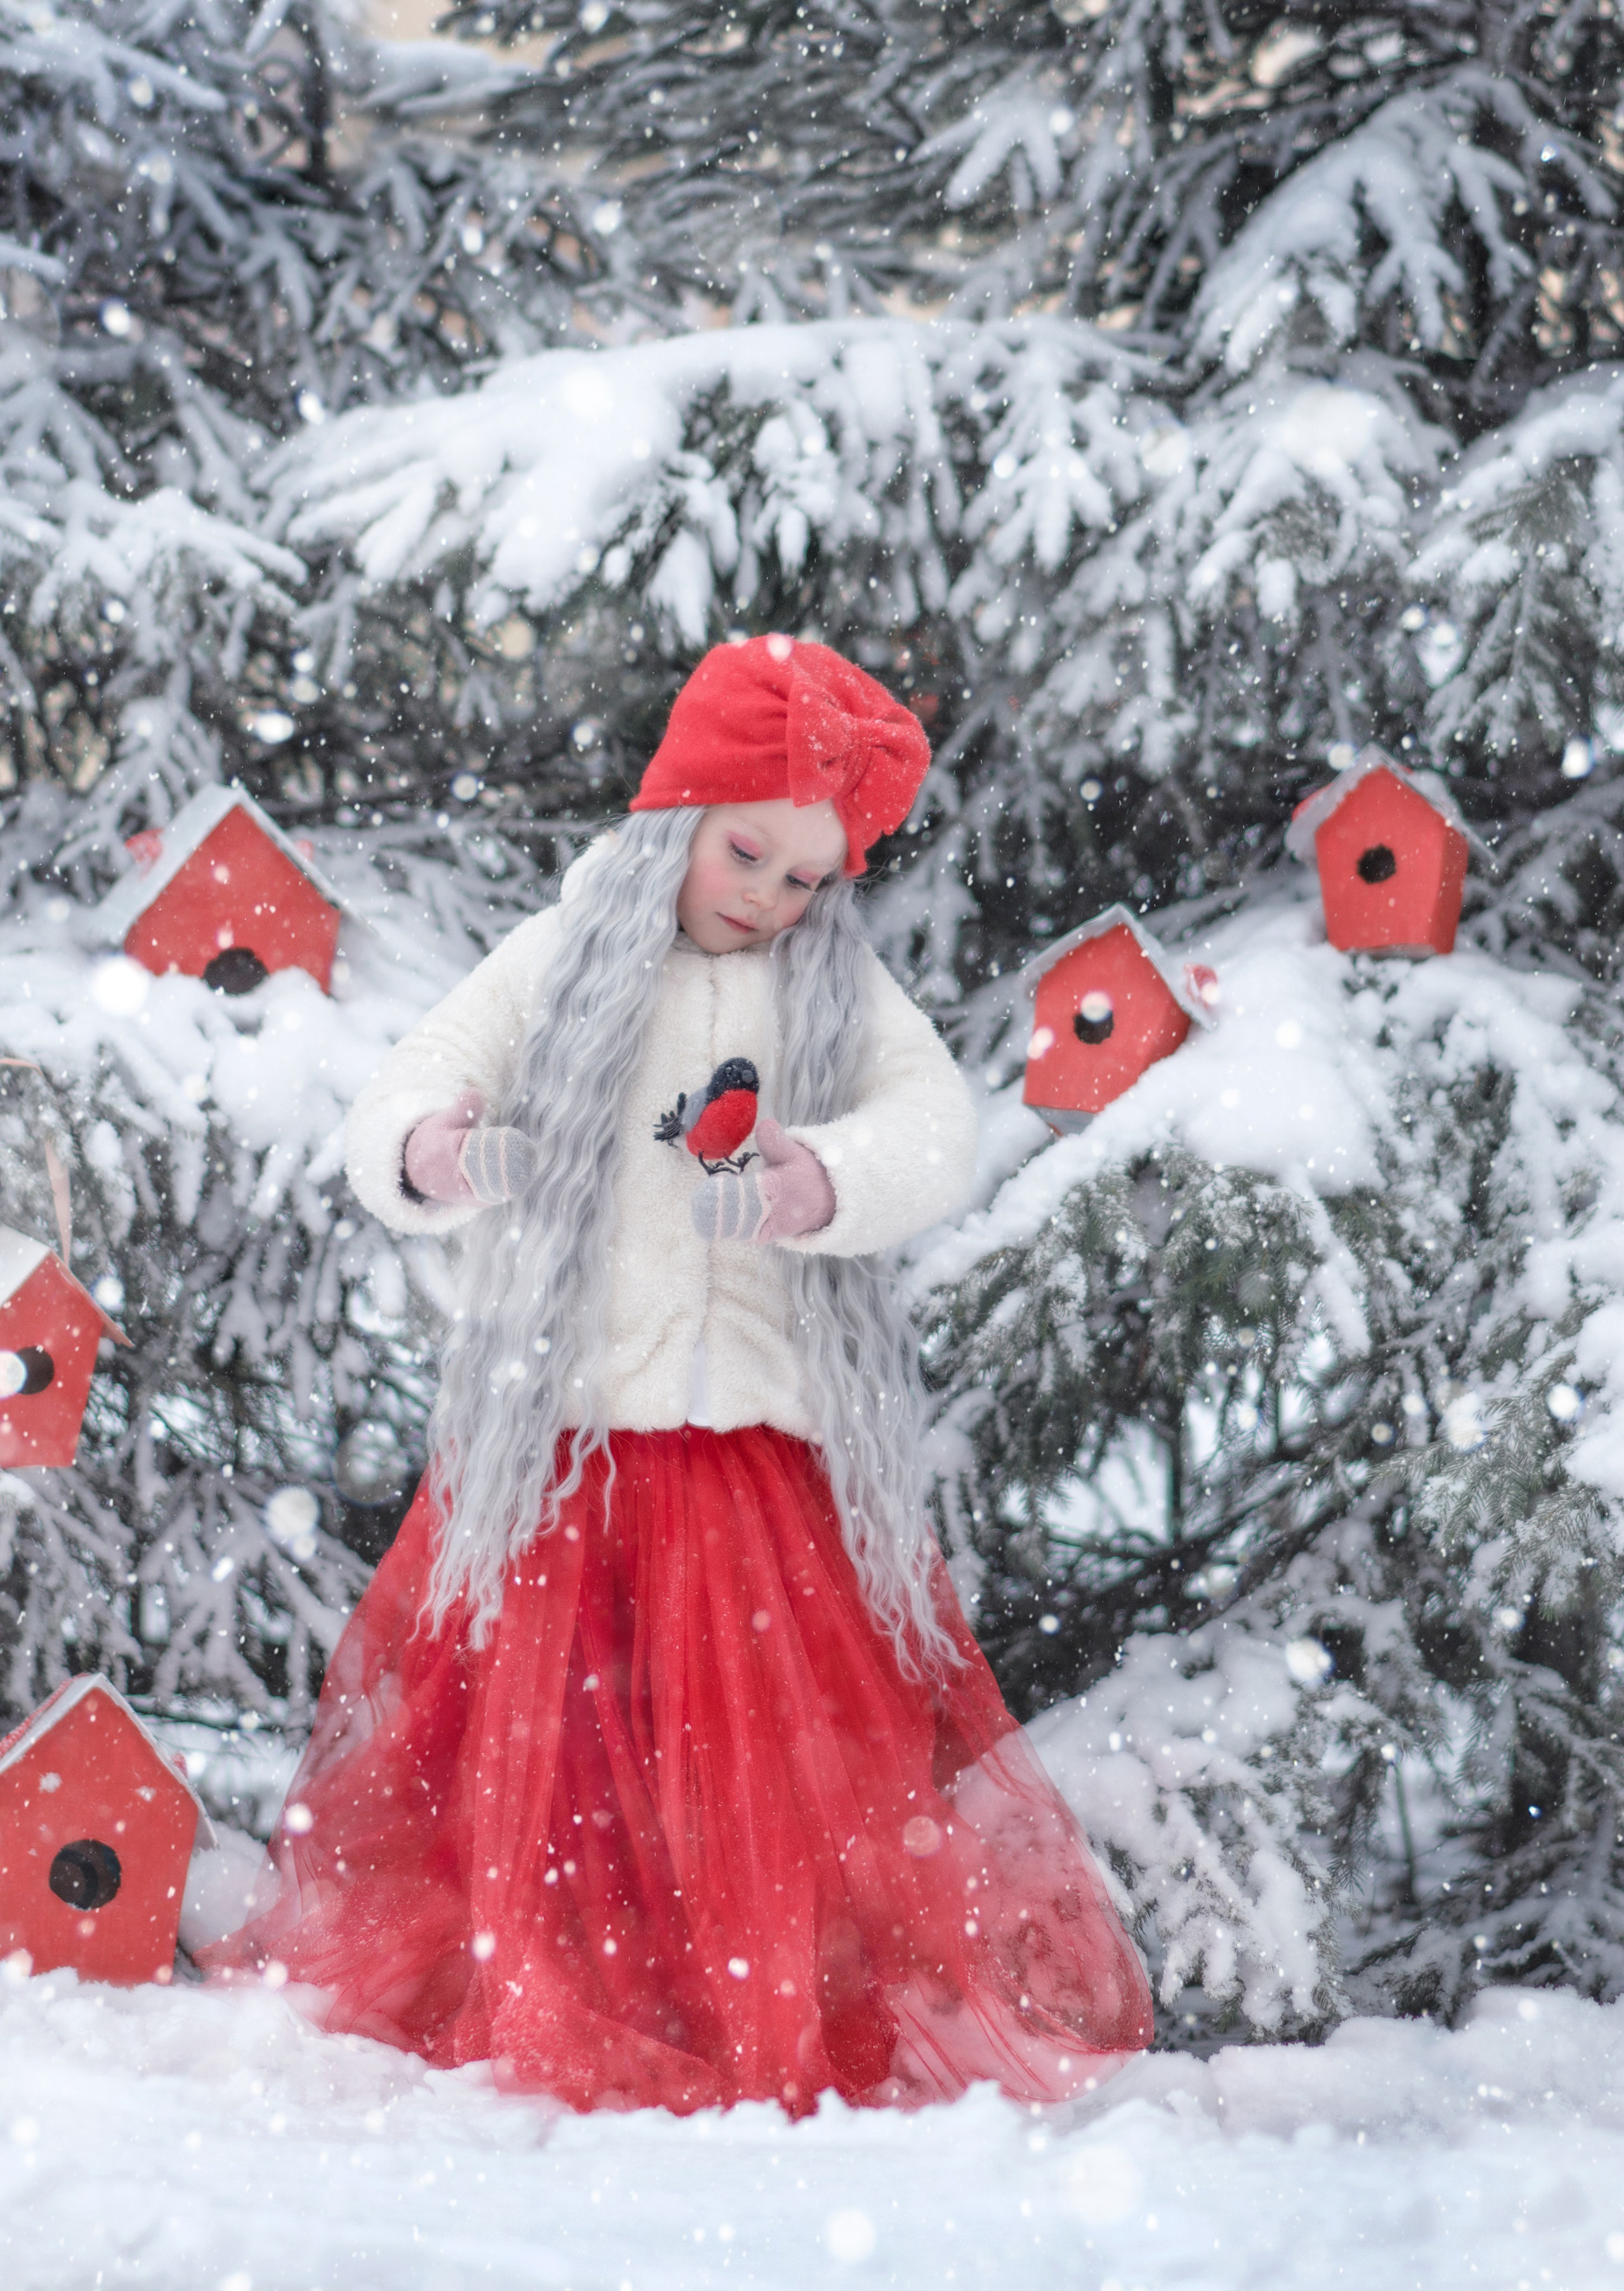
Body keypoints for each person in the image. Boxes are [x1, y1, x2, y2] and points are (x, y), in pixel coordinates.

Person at [204, 635, 1153, 2113]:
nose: (767, 896)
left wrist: (813, 1180)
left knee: (755, 1776)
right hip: (570, 1445)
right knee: (553, 1762)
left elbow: (934, 1131)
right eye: (746, 850)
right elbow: (407, 1085)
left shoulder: (830, 995)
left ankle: (739, 2002)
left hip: (753, 1457)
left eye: (802, 877)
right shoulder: (565, 953)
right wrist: (438, 1149)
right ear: (676, 819)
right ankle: (559, 1990)